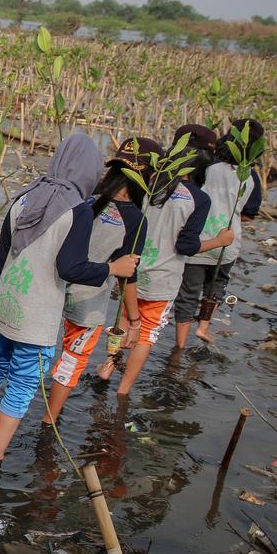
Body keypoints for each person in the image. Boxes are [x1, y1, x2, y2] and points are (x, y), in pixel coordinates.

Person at [0, 133, 138, 462]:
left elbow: (3, 252)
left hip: (7, 301)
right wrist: (112, 268)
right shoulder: (77, 210)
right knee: (22, 381)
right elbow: (71, 268)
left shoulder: (24, 196)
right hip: (37, 314)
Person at [115, 124, 233, 396]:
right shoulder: (198, 198)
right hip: (164, 278)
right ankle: (124, 389)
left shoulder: (150, 185)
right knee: (146, 334)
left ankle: (107, 368)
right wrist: (219, 241)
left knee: (123, 319)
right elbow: (187, 246)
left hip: (131, 269)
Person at [43, 138, 155, 422]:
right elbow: (128, 276)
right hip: (88, 301)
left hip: (51, 286)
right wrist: (134, 319)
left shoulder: (83, 196)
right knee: (72, 358)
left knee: (36, 351)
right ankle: (49, 419)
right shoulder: (136, 220)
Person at [173, 118, 264, 346]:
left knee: (188, 293)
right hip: (228, 244)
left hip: (198, 240)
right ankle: (203, 328)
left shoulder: (207, 166)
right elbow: (249, 214)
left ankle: (180, 344)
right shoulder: (250, 176)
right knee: (216, 285)